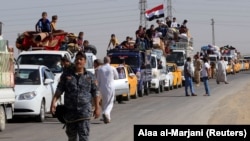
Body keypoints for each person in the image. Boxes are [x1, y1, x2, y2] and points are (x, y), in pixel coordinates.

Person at [50, 51, 101, 141]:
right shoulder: (66, 75)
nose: (78, 61)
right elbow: (59, 90)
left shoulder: (90, 76)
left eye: (81, 59)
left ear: (85, 61)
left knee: (84, 136)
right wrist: (53, 102)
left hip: (84, 111)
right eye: (77, 59)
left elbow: (95, 92)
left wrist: (97, 107)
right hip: (70, 112)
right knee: (72, 137)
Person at [97, 56, 119, 123]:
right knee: (110, 102)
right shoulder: (112, 68)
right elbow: (117, 77)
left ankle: (107, 118)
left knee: (104, 102)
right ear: (109, 61)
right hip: (110, 87)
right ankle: (106, 113)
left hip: (102, 87)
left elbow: (98, 80)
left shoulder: (100, 69)